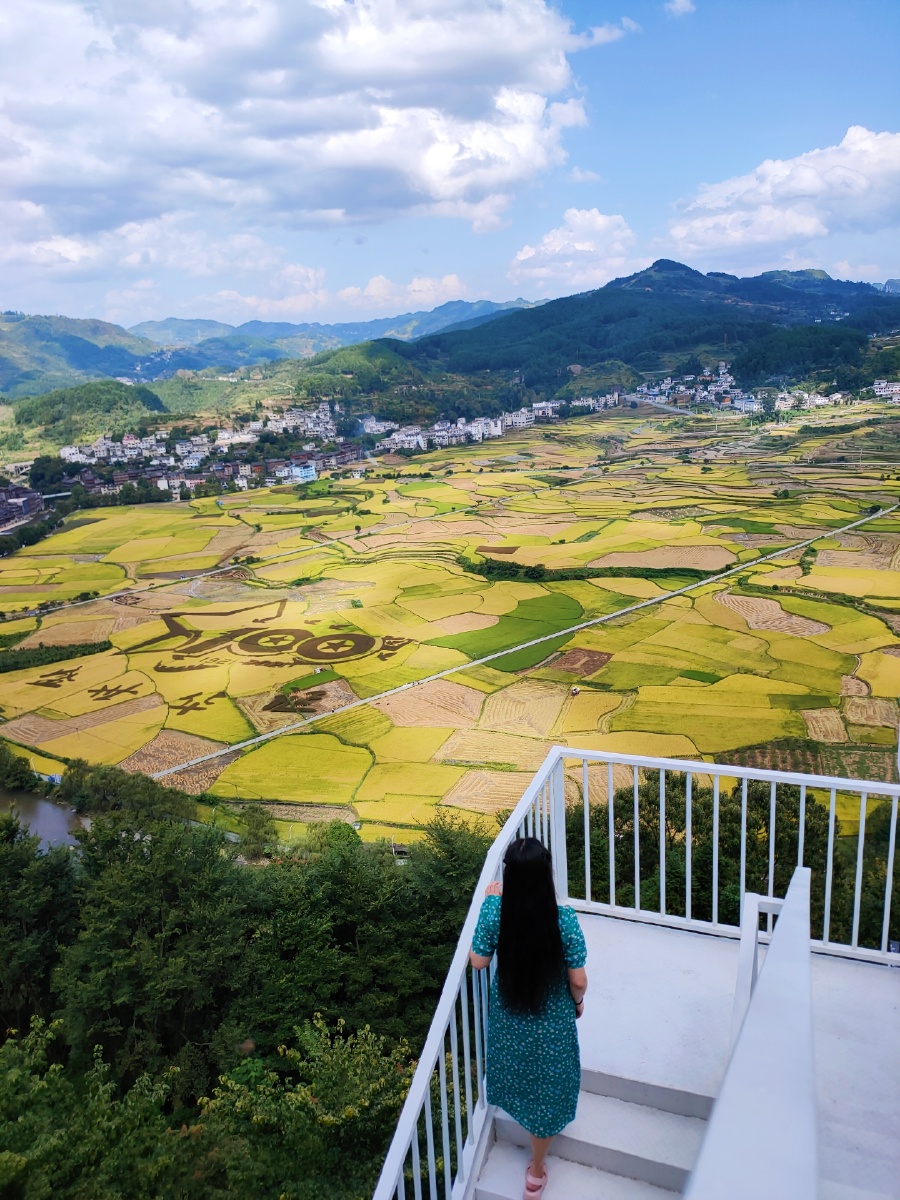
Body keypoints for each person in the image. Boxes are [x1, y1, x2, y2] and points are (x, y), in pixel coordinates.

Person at [469, 837, 588, 1199]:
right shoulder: (564, 920)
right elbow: (578, 979)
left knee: (521, 1075)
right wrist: (577, 1003)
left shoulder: (497, 912)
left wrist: (491, 902)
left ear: (510, 876)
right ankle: (536, 1173)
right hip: (551, 1021)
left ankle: (527, 1137)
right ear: (545, 875)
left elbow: (478, 960)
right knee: (549, 1089)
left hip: (511, 1017)